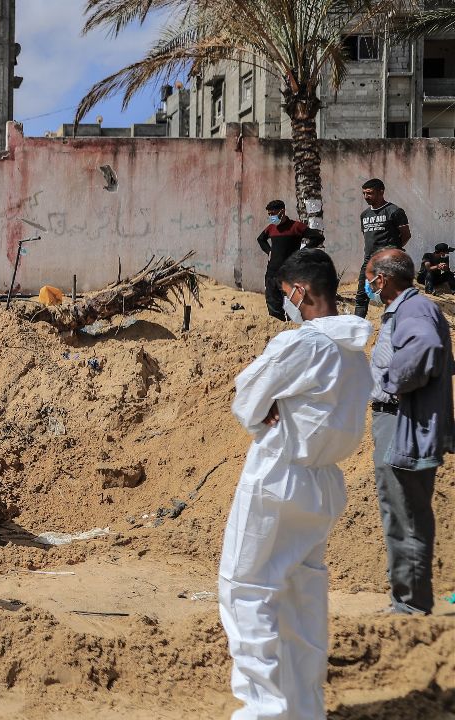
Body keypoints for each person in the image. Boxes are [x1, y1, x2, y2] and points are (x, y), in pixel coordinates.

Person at [218, 249, 372, 719]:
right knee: (302, 593)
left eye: (286, 294)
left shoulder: (301, 345)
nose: (286, 302)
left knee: (247, 589)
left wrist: (268, 406)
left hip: (277, 476)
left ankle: (265, 711)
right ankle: (305, 708)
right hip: (322, 483)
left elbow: (247, 400)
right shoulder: (353, 353)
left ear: (300, 292)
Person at [364, 248, 454, 616]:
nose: (367, 284)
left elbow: (425, 349)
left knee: (406, 514)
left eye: (370, 278)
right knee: (401, 511)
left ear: (381, 280)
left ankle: (411, 606)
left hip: (403, 422)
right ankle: (407, 599)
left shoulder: (414, 309)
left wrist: (390, 379)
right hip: (399, 419)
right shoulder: (409, 309)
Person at [354, 178, 410, 317]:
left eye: (370, 193)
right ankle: (355, 327)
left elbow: (406, 235)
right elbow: (368, 237)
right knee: (361, 295)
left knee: (391, 295)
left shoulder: (395, 211)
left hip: (389, 261)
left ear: (381, 192)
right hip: (369, 260)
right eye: (364, 193)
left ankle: (395, 327)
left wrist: (393, 250)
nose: (366, 197)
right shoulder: (364, 215)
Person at [256, 200, 311, 320]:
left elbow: (317, 237)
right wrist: (269, 251)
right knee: (272, 301)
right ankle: (277, 326)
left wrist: (304, 251)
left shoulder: (296, 227)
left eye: (273, 214)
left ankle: (294, 327)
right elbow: (261, 239)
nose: (271, 217)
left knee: (293, 304)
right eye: (269, 214)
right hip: (272, 272)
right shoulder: (271, 228)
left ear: (282, 211)